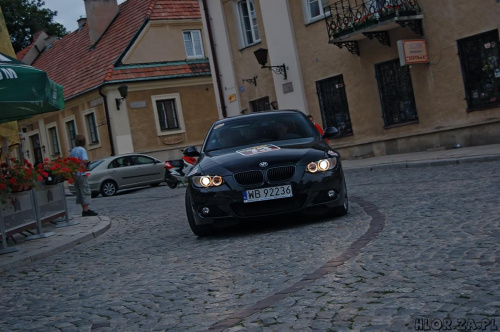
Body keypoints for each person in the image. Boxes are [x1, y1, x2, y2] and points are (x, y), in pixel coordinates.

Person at [70, 134, 98, 217]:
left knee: (79, 191)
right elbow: (85, 160)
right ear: (84, 142)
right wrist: (87, 167)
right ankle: (86, 211)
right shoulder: (82, 150)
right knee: (85, 190)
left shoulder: (73, 150)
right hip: (81, 173)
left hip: (75, 173)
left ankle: (84, 209)